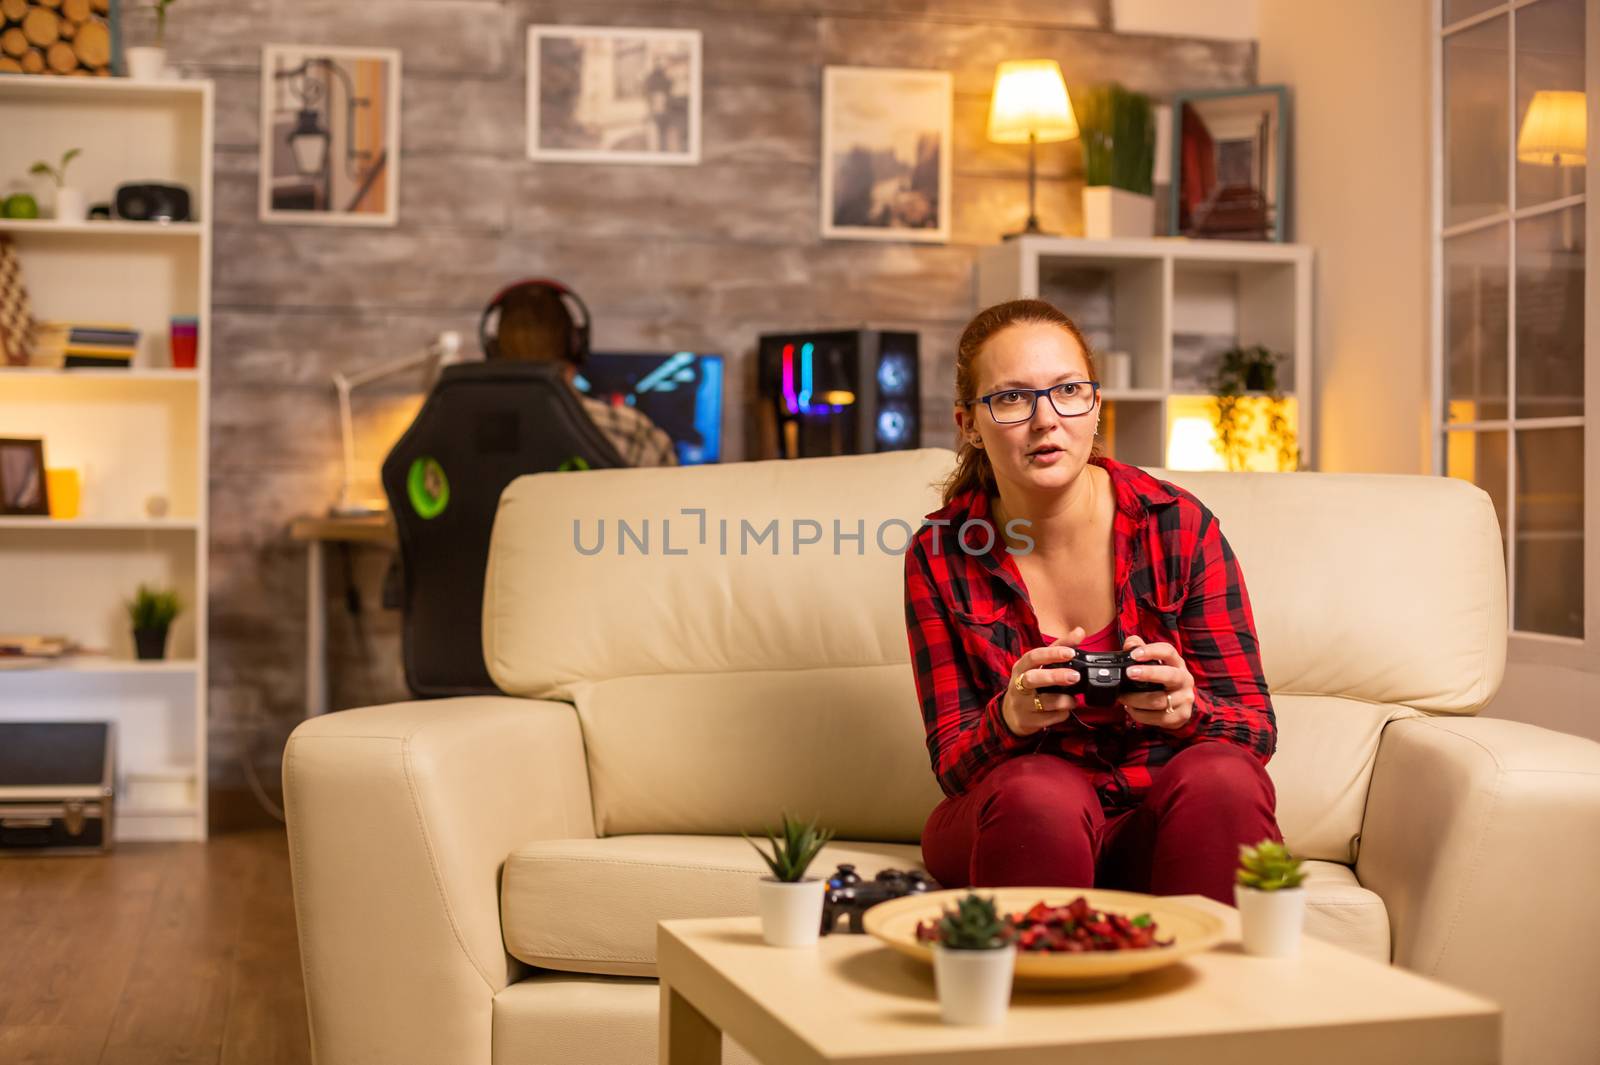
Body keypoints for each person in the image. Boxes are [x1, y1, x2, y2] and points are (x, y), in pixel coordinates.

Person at [905, 298, 1280, 906]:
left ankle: (1213, 995)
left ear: (1095, 404)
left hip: (1156, 823)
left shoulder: (1176, 526)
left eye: (1067, 390)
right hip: (1021, 821)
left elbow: (1255, 733)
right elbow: (953, 765)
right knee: (1039, 792)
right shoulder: (941, 552)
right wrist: (1010, 719)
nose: (1046, 419)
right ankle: (1041, 990)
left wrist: (1189, 707)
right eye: (1011, 398)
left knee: (1223, 778)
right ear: (968, 423)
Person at [489, 282, 677, 468]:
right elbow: (672, 495)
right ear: (576, 345)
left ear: (493, 351)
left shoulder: (467, 430)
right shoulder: (634, 432)